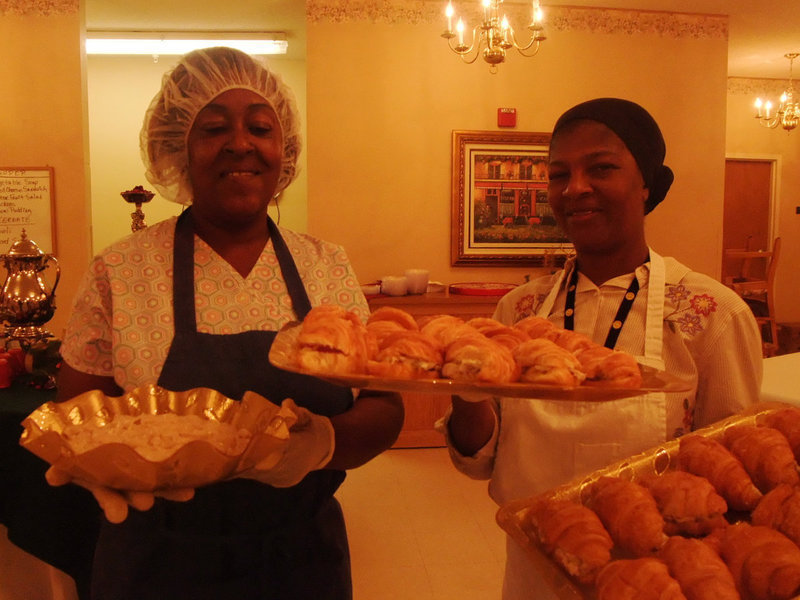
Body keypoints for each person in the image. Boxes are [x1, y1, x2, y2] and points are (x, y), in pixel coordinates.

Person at [50, 46, 404, 599]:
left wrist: (326, 443)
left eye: (260, 127)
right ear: (178, 149)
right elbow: (78, 410)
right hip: (157, 564)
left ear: (284, 149)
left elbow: (384, 403)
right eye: (214, 128)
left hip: (302, 561)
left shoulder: (325, 266)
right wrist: (91, 463)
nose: (241, 143)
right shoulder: (120, 270)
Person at [437, 98, 763, 599]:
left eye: (601, 169)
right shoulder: (518, 311)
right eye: (559, 174)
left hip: (655, 578)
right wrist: (464, 389)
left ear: (647, 183)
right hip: (532, 572)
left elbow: (732, 480)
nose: (575, 188)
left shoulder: (711, 315)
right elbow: (479, 461)